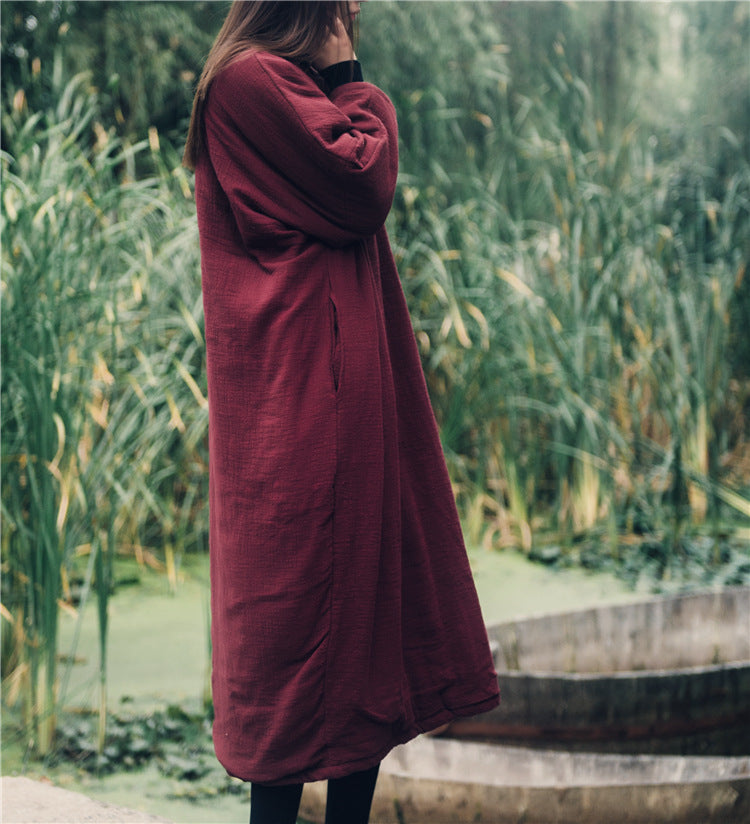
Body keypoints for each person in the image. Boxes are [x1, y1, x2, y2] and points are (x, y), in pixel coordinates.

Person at [183, 2, 500, 822]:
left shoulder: (286, 86)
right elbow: (363, 183)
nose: (356, 4)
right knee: (292, 642)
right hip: (304, 409)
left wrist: (336, 75)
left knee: (364, 646)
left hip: (340, 402)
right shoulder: (249, 83)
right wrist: (351, 74)